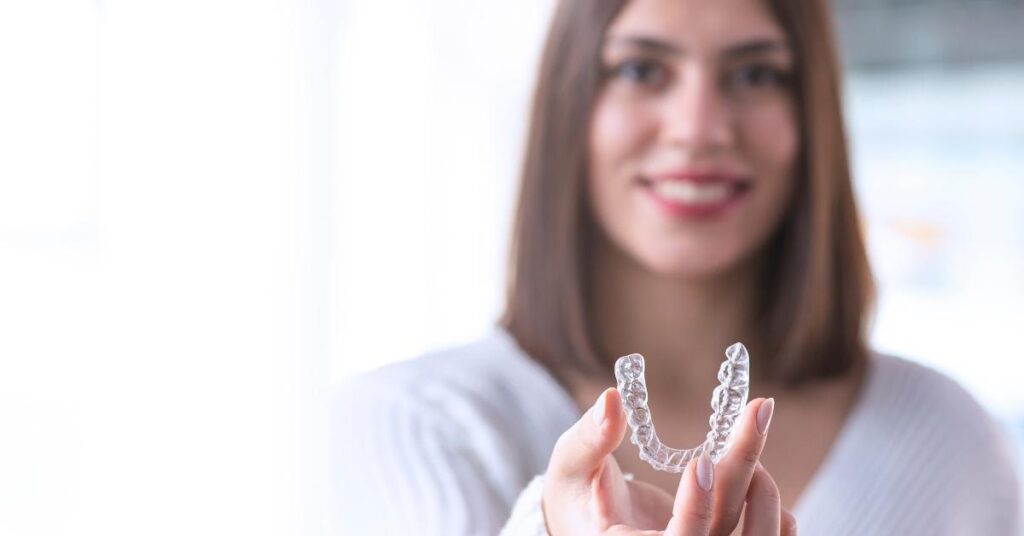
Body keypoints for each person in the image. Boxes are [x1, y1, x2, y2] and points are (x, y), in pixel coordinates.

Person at [334, 0, 1022, 533]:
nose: (698, 126)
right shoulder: (416, 421)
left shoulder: (945, 439)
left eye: (754, 74)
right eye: (640, 70)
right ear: (570, 105)